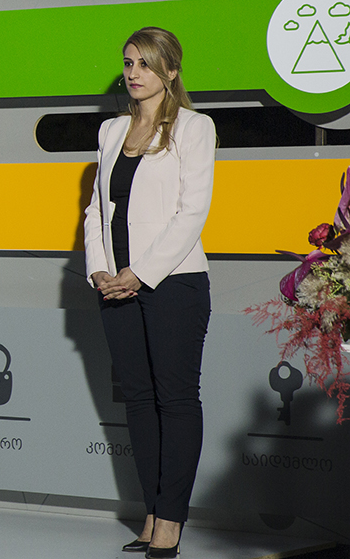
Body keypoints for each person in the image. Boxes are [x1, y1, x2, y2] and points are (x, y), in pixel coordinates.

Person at [82, 27, 215, 559]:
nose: (133, 72)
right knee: (138, 400)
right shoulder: (112, 130)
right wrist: (99, 270)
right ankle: (152, 512)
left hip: (174, 283)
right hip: (115, 286)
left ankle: (171, 520)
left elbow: (192, 213)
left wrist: (140, 273)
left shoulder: (194, 127)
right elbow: (97, 208)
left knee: (175, 399)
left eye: (145, 63)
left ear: (171, 71)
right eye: (128, 62)